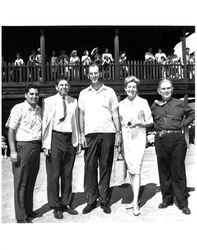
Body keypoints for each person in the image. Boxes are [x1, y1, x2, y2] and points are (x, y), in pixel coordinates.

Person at [78, 63, 122, 214]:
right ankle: (91, 200)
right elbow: (81, 115)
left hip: (107, 132)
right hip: (90, 134)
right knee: (90, 167)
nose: (94, 75)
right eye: (91, 73)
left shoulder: (109, 91)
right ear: (88, 75)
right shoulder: (83, 93)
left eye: (96, 72)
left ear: (100, 74)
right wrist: (81, 134)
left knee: (105, 166)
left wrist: (118, 133)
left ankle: (104, 200)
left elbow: (115, 114)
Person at [151, 79, 195, 215]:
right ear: (159, 91)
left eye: (168, 88)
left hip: (177, 139)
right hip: (161, 139)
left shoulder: (180, 103)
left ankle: (183, 203)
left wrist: (183, 124)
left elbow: (192, 114)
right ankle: (167, 199)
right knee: (164, 170)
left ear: (172, 89)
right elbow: (151, 119)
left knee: (178, 170)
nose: (166, 91)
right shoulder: (154, 106)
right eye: (163, 89)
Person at [42, 75, 79, 220]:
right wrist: (45, 145)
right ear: (56, 87)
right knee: (54, 174)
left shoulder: (73, 101)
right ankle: (55, 206)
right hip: (55, 139)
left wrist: (77, 142)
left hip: (69, 139)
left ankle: (65, 203)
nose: (64, 87)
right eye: (61, 85)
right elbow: (45, 123)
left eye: (66, 85)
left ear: (69, 87)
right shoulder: (49, 101)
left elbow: (75, 122)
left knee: (67, 174)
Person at [5, 84, 42, 223]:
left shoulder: (39, 109)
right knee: (21, 183)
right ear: (26, 95)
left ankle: (28, 210)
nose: (34, 96)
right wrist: (13, 151)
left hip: (35, 147)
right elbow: (11, 130)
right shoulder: (18, 108)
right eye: (31, 94)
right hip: (23, 147)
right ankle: (21, 216)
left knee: (31, 181)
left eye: (36, 94)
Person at [119, 76, 153, 216]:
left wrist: (140, 123)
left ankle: (135, 203)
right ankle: (135, 197)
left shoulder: (143, 102)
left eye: (134, 87)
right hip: (126, 139)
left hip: (138, 137)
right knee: (131, 169)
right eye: (129, 87)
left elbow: (150, 121)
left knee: (137, 168)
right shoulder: (121, 104)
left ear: (137, 89)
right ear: (125, 88)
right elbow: (120, 123)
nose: (131, 89)